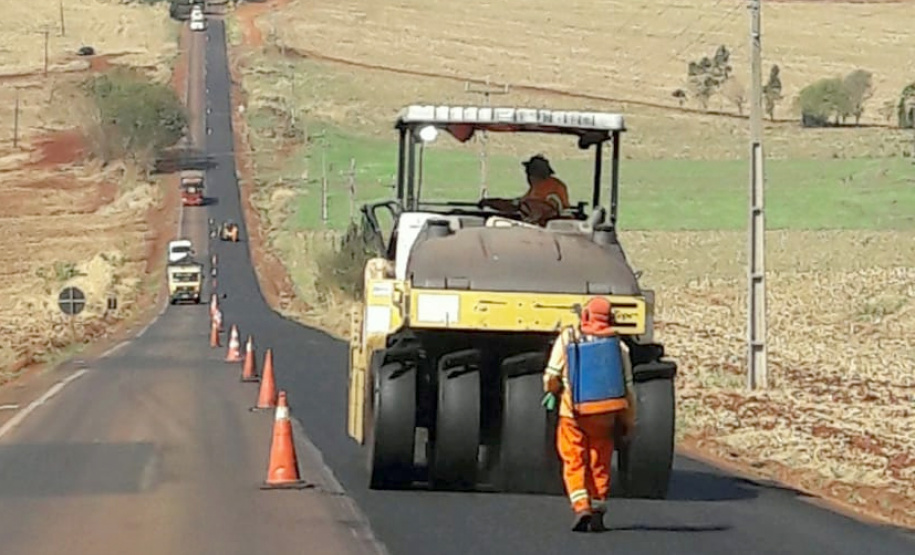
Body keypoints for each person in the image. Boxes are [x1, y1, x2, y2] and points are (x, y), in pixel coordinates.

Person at [542, 297, 636, 532]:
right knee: (599, 461)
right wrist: (628, 420)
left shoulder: (568, 339)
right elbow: (628, 389)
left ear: (584, 316)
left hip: (572, 413)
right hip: (605, 416)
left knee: (574, 459)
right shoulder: (619, 347)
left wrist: (553, 391)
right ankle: (597, 507)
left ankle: (581, 505)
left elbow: (551, 376)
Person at [479, 155, 571, 225]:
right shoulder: (542, 187)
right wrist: (491, 203)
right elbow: (516, 204)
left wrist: (489, 203)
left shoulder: (547, 188)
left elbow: (541, 210)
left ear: (531, 174)